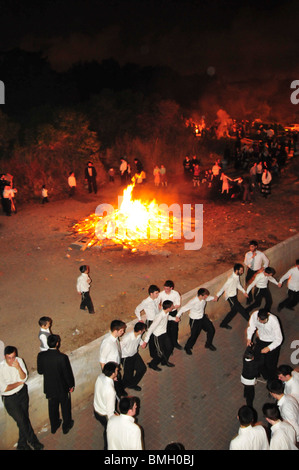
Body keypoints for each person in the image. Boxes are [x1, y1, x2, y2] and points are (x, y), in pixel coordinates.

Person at [0, 346, 44, 450]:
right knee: (22, 420)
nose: (12, 360)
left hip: (22, 393)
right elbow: (4, 388)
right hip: (10, 399)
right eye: (9, 358)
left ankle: (21, 444)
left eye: (13, 357)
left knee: (24, 419)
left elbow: (24, 377)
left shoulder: (19, 361)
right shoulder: (1, 369)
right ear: (4, 357)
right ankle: (34, 442)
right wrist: (19, 383)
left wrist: (18, 368)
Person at [37, 334, 75, 435]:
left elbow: (40, 371)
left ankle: (54, 425)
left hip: (50, 388)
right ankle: (66, 426)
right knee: (65, 407)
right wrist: (71, 385)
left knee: (52, 407)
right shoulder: (62, 357)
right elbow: (67, 374)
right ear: (57, 343)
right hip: (62, 388)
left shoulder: (41, 356)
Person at [176, 288, 217, 354]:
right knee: (194, 335)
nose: (206, 297)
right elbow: (183, 308)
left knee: (211, 330)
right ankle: (187, 347)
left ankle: (208, 344)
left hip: (202, 318)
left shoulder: (204, 298)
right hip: (195, 320)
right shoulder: (193, 301)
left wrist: (213, 298)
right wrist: (177, 316)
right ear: (200, 296)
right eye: (205, 296)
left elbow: (208, 298)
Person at [247, 308, 283, 380]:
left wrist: (269, 348)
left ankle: (273, 379)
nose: (262, 322)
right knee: (257, 360)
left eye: (264, 321)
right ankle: (265, 376)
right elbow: (251, 327)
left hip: (272, 342)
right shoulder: (254, 315)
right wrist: (249, 338)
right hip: (261, 340)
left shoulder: (274, 321)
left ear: (268, 315)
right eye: (260, 320)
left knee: (271, 364)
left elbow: (279, 339)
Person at [142, 300, 177, 371]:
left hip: (164, 333)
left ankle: (164, 362)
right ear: (168, 308)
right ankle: (152, 364)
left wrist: (174, 319)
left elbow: (167, 317)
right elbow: (151, 328)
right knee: (160, 353)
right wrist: (145, 341)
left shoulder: (166, 313)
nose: (173, 306)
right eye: (172, 306)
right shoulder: (159, 317)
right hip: (157, 336)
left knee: (170, 348)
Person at [215, 263, 249, 330]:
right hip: (230, 297)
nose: (242, 272)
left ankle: (223, 324)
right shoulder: (231, 279)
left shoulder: (236, 276)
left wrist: (244, 292)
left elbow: (238, 285)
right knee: (241, 310)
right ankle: (251, 322)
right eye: (241, 270)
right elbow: (223, 287)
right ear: (237, 270)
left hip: (234, 295)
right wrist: (217, 295)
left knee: (234, 311)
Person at [93, 362, 119, 450]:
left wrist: (112, 379)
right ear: (112, 373)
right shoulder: (110, 391)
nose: (118, 371)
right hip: (104, 414)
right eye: (116, 371)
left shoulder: (100, 377)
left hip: (96, 408)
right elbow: (110, 411)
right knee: (108, 431)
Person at [99, 320, 127, 398]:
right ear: (115, 331)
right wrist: (110, 375)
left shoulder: (115, 338)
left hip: (116, 368)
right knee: (114, 387)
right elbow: (102, 361)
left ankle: (121, 392)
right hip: (111, 371)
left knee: (119, 381)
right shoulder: (107, 343)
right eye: (121, 330)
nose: (123, 332)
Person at [121, 322, 147, 391]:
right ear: (139, 331)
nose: (144, 331)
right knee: (128, 375)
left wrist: (142, 343)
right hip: (126, 358)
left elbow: (139, 340)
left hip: (135, 355)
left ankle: (132, 384)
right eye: (143, 330)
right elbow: (119, 348)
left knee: (142, 369)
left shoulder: (138, 334)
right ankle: (121, 389)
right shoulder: (127, 338)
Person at [158, 280, 182, 351]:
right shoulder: (161, 294)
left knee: (175, 329)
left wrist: (170, 308)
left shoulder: (175, 294)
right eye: (164, 288)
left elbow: (178, 304)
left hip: (173, 312)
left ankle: (175, 343)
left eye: (167, 289)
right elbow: (158, 302)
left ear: (171, 288)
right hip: (165, 313)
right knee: (167, 329)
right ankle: (169, 346)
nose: (165, 290)